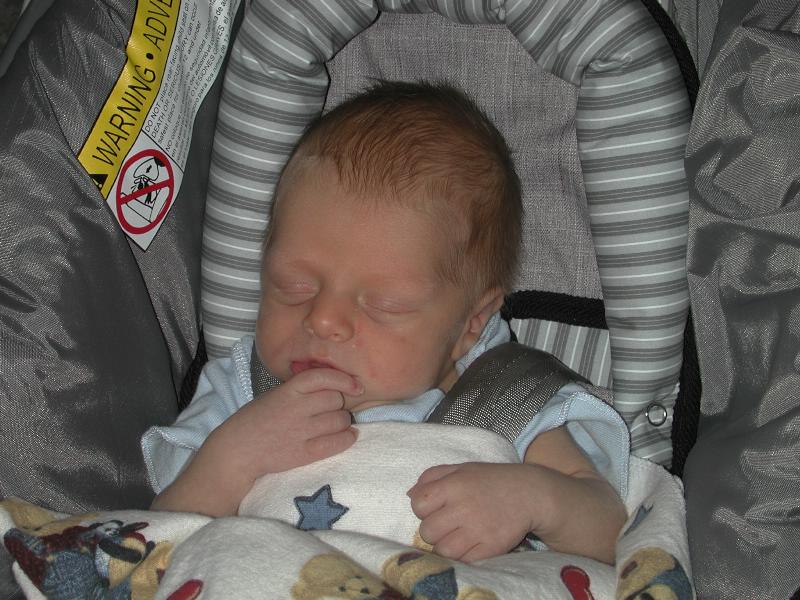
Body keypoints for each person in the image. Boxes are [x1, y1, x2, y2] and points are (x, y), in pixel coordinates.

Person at [142, 80, 629, 564]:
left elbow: (611, 533)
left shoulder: (506, 401)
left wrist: (535, 499)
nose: (323, 319)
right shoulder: (242, 392)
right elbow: (150, 543)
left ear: (470, 324)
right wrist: (232, 459)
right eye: (293, 286)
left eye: (384, 304)